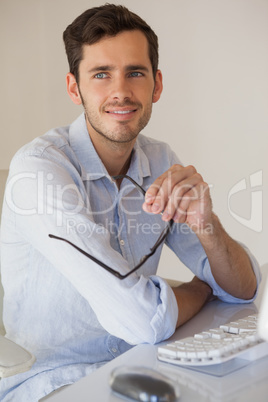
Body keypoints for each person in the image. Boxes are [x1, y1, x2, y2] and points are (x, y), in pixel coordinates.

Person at [0, 4, 261, 401]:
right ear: (75, 88)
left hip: (140, 367)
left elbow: (243, 288)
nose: (121, 91)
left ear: (156, 84)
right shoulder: (39, 171)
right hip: (51, 383)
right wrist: (201, 289)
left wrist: (207, 227)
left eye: (134, 73)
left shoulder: (160, 160)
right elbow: (143, 321)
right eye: (101, 75)